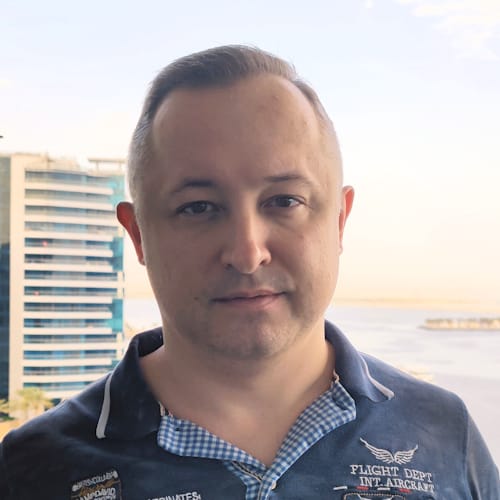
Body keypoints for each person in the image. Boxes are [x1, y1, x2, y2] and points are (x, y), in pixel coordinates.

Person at [0, 45, 498, 500]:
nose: (247, 252)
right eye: (198, 207)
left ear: (339, 221)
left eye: (284, 201)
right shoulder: (33, 468)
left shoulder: (443, 433)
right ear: (138, 235)